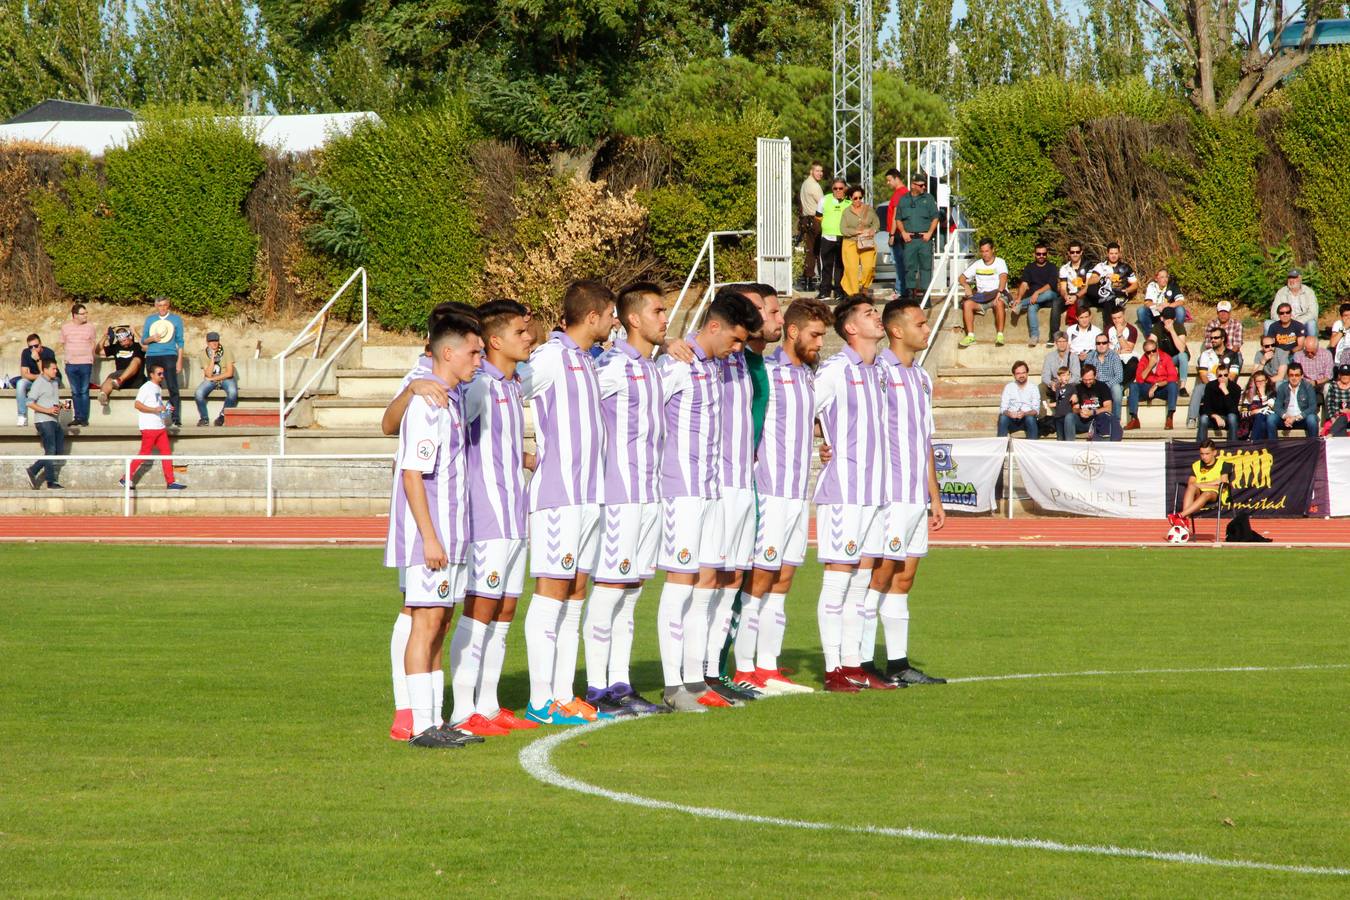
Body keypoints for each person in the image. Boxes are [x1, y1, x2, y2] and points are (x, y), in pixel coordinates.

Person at [655, 289, 762, 711]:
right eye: (734, 340)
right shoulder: (676, 365)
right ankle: (671, 685)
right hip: (681, 490)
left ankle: (696, 681)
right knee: (680, 586)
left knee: (706, 588)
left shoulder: (716, 365)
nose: (739, 350)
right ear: (713, 327)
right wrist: (665, 344)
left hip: (713, 489)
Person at [520, 281, 620, 726]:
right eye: (611, 313)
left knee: (575, 594)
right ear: (593, 316)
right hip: (558, 499)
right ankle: (540, 700)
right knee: (551, 594)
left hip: (589, 498)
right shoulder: (549, 357)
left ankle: (563, 694)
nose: (615, 320)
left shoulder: (585, 359)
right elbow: (501, 387)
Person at [384, 310, 484, 748]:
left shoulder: (452, 397)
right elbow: (412, 475)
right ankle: (421, 724)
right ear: (448, 352)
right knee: (425, 623)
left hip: (452, 535)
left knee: (439, 622)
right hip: (434, 537)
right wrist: (428, 537)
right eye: (474, 352)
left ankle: (434, 718)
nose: (479, 360)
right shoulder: (427, 402)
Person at [444, 299, 542, 737]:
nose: (530, 337)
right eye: (522, 332)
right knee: (481, 608)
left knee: (504, 610)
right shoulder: (479, 384)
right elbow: (451, 433)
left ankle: (489, 702)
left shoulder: (510, 384)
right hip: (486, 514)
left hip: (513, 511)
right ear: (495, 340)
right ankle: (463, 711)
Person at [579, 283, 674, 717]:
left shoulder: (652, 366)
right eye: (658, 310)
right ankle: (597, 688)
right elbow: (576, 413)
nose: (665, 318)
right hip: (619, 497)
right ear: (633, 318)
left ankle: (621, 682)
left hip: (650, 496)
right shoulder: (613, 365)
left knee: (631, 594)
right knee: (609, 591)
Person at [732, 298, 832, 695]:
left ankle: (768, 668)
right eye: (815, 335)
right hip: (769, 492)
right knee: (759, 579)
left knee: (783, 580)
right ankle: (743, 669)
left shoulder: (809, 376)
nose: (820, 343)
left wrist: (823, 445)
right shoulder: (766, 372)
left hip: (796, 494)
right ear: (792, 332)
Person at [868, 297, 946, 686]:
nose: (926, 329)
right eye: (920, 323)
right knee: (879, 577)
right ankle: (862, 663)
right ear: (896, 330)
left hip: (916, 494)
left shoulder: (921, 377)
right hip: (890, 493)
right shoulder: (878, 372)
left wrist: (934, 494)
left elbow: (925, 439)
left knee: (905, 579)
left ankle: (897, 664)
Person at [813, 297, 890, 692]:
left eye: (876, 311)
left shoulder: (880, 370)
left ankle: (853, 664)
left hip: (875, 493)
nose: (877, 316)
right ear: (850, 329)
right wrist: (819, 441)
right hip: (844, 491)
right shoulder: (836, 369)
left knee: (861, 584)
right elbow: (797, 409)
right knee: (838, 581)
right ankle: (832, 670)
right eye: (868, 313)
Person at [121, 364, 187, 491]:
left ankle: (170, 481)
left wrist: (166, 409)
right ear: (151, 375)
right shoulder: (146, 387)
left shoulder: (158, 388)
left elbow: (157, 407)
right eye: (159, 374)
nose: (162, 376)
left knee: (167, 454)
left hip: (159, 426)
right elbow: (137, 405)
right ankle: (125, 478)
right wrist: (155, 409)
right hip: (149, 427)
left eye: (163, 373)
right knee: (144, 453)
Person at [1170, 439, 1232, 535]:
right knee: (1191, 487)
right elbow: (1192, 483)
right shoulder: (1196, 465)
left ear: (1214, 452)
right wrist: (1214, 482)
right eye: (1202, 454)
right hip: (1198, 493)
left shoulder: (1224, 465)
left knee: (1207, 493)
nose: (1204, 457)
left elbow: (1223, 484)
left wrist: (1202, 484)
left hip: (1215, 494)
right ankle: (1185, 522)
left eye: (1207, 454)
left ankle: (1180, 516)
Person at [957, 237, 1009, 348]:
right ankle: (970, 336)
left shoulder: (1000, 262)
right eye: (982, 251)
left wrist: (999, 292)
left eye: (987, 251)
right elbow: (961, 277)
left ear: (992, 250)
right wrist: (966, 285)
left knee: (999, 303)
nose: (984, 254)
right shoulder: (977, 264)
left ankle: (1000, 335)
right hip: (982, 297)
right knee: (967, 304)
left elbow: (1003, 278)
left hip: (997, 294)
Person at [141, 297, 185, 429]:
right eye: (159, 305)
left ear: (168, 305)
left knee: (172, 387)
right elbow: (144, 340)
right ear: (156, 306)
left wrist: (179, 360)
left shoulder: (176, 319)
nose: (162, 308)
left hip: (169, 354)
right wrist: (152, 338)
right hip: (153, 355)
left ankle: (175, 418)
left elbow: (180, 341)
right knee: (152, 387)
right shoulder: (150, 319)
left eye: (165, 305)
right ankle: (154, 417)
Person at [24, 357, 65, 490]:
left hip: (54, 420)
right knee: (51, 450)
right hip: (43, 420)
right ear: (45, 369)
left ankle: (33, 470)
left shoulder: (54, 383)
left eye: (56, 368)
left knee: (57, 450)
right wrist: (47, 410)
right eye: (53, 369)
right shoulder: (38, 382)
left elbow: (51, 400)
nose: (55, 371)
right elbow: (29, 402)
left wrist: (59, 406)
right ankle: (50, 481)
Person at [896, 172, 939, 299]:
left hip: (924, 240)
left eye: (924, 185)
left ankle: (926, 296)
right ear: (913, 185)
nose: (923, 187)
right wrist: (903, 233)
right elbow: (898, 219)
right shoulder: (904, 200)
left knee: (926, 268)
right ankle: (910, 295)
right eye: (921, 185)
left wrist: (929, 233)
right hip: (909, 240)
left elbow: (935, 218)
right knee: (909, 268)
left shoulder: (928, 198)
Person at [1187, 328, 1239, 427]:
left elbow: (1232, 376)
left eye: (1216, 338)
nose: (1212, 340)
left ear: (1223, 338)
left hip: (1226, 384)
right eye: (1211, 338)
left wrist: (1223, 385)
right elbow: (1203, 375)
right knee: (1198, 388)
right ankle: (1192, 418)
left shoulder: (1232, 355)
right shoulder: (1206, 354)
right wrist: (1212, 387)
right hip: (1210, 384)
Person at [1125, 336, 1179, 431]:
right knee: (1133, 386)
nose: (1151, 354)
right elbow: (1139, 379)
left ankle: (1170, 417)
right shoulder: (1143, 360)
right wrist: (1150, 366)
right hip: (1148, 388)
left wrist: (1157, 385)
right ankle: (1134, 419)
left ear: (1157, 348)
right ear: (1145, 353)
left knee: (1173, 385)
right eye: (1148, 352)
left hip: (1162, 388)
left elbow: (1172, 377)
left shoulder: (1166, 357)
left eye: (1153, 351)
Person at [1011, 242, 1059, 347]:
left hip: (1049, 298)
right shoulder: (1029, 267)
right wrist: (1018, 298)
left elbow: (1050, 285)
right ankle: (1034, 336)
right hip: (1034, 300)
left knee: (1048, 293)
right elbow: (1024, 284)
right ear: (1034, 254)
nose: (1041, 256)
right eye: (1038, 254)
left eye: (1043, 254)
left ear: (1047, 255)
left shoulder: (1052, 267)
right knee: (1031, 307)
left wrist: (1037, 292)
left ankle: (1020, 304)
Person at [838, 185, 880, 297]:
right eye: (855, 198)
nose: (858, 200)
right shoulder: (846, 212)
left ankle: (865, 287)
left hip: (867, 242)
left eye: (860, 198)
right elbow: (843, 229)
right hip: (850, 242)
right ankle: (854, 294)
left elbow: (876, 223)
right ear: (850, 198)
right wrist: (856, 231)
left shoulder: (869, 209)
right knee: (851, 269)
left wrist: (873, 230)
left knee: (869, 267)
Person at [58, 303, 96, 427]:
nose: (86, 315)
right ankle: (77, 416)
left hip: (85, 363)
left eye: (86, 313)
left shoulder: (90, 327)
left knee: (84, 391)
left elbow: (93, 343)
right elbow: (63, 343)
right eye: (83, 313)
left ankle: (84, 418)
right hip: (71, 364)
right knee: (75, 391)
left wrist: (91, 357)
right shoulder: (65, 328)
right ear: (75, 315)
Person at [1084, 242, 1137, 324]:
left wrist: (1126, 290)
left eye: (1116, 253)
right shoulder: (1100, 266)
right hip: (1102, 294)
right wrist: (1103, 277)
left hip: (1117, 294)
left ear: (1119, 254)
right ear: (1107, 254)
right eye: (1111, 253)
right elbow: (1090, 281)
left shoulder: (1125, 267)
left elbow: (1135, 285)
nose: (1113, 255)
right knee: (1088, 291)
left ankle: (1108, 329)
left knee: (1109, 302)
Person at [193, 332, 238, 426]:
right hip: (211, 379)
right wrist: (212, 360)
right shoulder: (203, 354)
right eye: (211, 341)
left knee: (233, 392)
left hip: (226, 378)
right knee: (198, 393)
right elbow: (208, 374)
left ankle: (222, 417)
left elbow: (230, 373)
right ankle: (204, 419)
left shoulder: (227, 351)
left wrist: (214, 378)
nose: (214, 343)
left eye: (216, 341)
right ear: (207, 342)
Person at [817, 178, 849, 300]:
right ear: (832, 189)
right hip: (827, 237)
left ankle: (839, 291)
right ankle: (825, 291)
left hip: (843, 237)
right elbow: (818, 217)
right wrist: (826, 225)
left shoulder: (849, 201)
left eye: (841, 188)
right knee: (826, 265)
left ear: (845, 188)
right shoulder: (825, 200)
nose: (838, 191)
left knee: (840, 265)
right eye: (835, 188)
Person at [97, 326, 146, 407]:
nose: (123, 343)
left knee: (136, 360)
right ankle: (103, 395)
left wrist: (135, 332)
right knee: (109, 379)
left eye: (125, 340)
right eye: (121, 342)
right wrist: (104, 336)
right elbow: (98, 351)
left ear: (130, 337)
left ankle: (120, 380)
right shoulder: (116, 347)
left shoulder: (138, 346)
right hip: (119, 376)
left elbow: (145, 347)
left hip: (136, 377)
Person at [15, 333, 58, 427]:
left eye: (36, 346)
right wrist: (38, 377)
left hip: (49, 380)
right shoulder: (26, 353)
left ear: (41, 344)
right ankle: (22, 416)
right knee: (20, 383)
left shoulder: (48, 353)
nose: (33, 349)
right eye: (31, 347)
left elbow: (47, 375)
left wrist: (38, 360)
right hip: (35, 379)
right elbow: (24, 374)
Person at [1066, 363, 1115, 441]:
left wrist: (1092, 412)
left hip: (1097, 421)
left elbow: (1108, 408)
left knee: (1104, 418)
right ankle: (1070, 445)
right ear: (1081, 377)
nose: (1088, 382)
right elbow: (1074, 409)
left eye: (1090, 379)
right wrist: (1080, 411)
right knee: (1069, 417)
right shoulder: (1077, 388)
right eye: (1085, 380)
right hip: (1082, 422)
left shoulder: (1102, 386)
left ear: (1095, 376)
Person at [1055, 240, 1090, 345]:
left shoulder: (1088, 266)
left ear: (1081, 252)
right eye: (1072, 252)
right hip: (1069, 294)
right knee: (1056, 303)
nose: (1075, 254)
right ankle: (1054, 335)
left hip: (1084, 294)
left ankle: (1080, 333)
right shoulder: (1064, 268)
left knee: (1080, 302)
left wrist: (1076, 296)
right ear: (1069, 253)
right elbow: (1062, 288)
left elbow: (1087, 287)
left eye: (1077, 252)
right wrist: (1065, 296)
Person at [798, 162, 825, 291]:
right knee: (819, 252)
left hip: (805, 220)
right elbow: (823, 204)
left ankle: (808, 280)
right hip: (815, 220)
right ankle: (822, 280)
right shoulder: (814, 186)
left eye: (821, 171)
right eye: (817, 171)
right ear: (811, 171)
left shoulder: (804, 184)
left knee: (810, 251)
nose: (820, 173)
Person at [1272, 362, 1318, 437]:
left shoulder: (1308, 387)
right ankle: (1273, 447)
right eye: (1291, 375)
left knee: (1312, 419)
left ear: (1302, 376)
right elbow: (1277, 407)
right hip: (1286, 420)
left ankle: (1313, 446)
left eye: (1297, 375)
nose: (1294, 378)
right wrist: (1286, 416)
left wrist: (1296, 418)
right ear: (1287, 376)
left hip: (1302, 419)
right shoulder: (1282, 387)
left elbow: (1313, 407)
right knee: (1271, 418)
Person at [882, 168, 908, 296]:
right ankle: (902, 289)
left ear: (896, 178)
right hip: (899, 232)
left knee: (899, 263)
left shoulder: (899, 193)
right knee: (900, 263)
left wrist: (892, 234)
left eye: (889, 180)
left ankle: (900, 290)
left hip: (897, 233)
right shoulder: (904, 192)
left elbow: (896, 216)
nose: (888, 183)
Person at [997, 361, 1040, 439]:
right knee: (1003, 418)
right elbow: (1003, 409)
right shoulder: (1009, 387)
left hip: (1027, 418)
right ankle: (1001, 447)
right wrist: (1009, 413)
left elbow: (1036, 410)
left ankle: (1033, 448)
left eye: (1023, 373)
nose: (1021, 375)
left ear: (1027, 373)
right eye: (1018, 373)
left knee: (1030, 418)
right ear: (1014, 375)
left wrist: (1025, 413)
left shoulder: (1033, 387)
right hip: (1011, 419)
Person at [1197, 364, 1240, 442]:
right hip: (1213, 418)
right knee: (1203, 418)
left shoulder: (1236, 388)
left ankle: (1233, 447)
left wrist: (1226, 392)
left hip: (1228, 419)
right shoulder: (1210, 386)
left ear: (1228, 375)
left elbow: (1233, 410)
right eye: (1220, 375)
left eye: (1225, 375)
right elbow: (1206, 407)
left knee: (1232, 417)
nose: (1223, 377)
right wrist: (1216, 416)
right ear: (1216, 376)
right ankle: (1200, 446)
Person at [1085, 334, 1125, 418]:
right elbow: (1086, 374)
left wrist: (1105, 386)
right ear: (1095, 344)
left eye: (1104, 343)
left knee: (1117, 389)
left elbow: (1119, 376)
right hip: (1095, 384)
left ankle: (1116, 420)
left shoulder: (1114, 356)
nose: (1101, 345)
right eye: (1098, 343)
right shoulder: (1090, 356)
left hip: (1110, 384)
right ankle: (1091, 419)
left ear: (1108, 344)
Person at [1137, 268, 1185, 334]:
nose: (1165, 279)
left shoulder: (1173, 286)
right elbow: (1147, 303)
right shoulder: (1152, 286)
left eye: (1166, 277)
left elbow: (1181, 301)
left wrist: (1168, 306)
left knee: (1180, 310)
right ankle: (1150, 336)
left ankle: (1178, 333)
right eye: (1162, 277)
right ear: (1156, 279)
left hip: (1169, 312)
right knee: (1141, 311)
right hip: (1156, 311)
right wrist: (1157, 306)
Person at [1271, 269, 1318, 334]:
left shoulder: (1309, 292)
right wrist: (1285, 321)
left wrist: (1297, 322)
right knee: (1267, 323)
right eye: (1290, 278)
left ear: (1300, 278)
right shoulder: (1281, 292)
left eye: (1294, 278)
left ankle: (1312, 343)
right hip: (1285, 323)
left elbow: (1313, 313)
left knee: (1311, 323)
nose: (1291, 280)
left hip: (1303, 323)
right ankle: (1269, 343)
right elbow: (1274, 313)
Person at [1040, 331, 1080, 405]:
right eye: (1059, 341)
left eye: (1064, 341)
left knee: (1076, 386)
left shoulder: (1073, 356)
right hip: (1054, 385)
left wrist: (1063, 383)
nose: (1062, 344)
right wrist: (1051, 383)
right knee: (1041, 386)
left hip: (1068, 384)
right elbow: (1045, 376)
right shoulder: (1049, 357)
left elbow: (1076, 377)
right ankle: (1043, 411)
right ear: (1055, 343)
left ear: (1067, 342)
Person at [1205, 301, 1245, 374]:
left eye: (1226, 312)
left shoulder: (1237, 324)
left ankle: (1231, 383)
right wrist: (1218, 356)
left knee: (1238, 359)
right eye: (1221, 311)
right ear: (1217, 312)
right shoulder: (1211, 325)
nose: (1223, 314)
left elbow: (1237, 345)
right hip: (1215, 353)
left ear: (1230, 313)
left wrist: (1226, 356)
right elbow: (1208, 345)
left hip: (1232, 353)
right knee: (1201, 359)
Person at [1239, 370, 1276, 440]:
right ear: (1254, 382)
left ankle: (1253, 442)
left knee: (1262, 419)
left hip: (1265, 422)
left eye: (1262, 381)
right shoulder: (1249, 395)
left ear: (1266, 381)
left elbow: (1270, 411)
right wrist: (1255, 411)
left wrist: (1263, 395)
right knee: (1260, 416)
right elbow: (1243, 414)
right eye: (1258, 381)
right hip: (1250, 421)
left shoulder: (1271, 394)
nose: (1260, 383)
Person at [1294, 333, 1333, 398]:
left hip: (1322, 383)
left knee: (1328, 387)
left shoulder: (1326, 354)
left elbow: (1328, 376)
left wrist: (1316, 382)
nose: (1309, 354)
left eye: (1312, 352)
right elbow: (1297, 374)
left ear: (1317, 348)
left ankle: (1327, 408)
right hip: (1304, 383)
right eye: (1307, 351)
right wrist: (1307, 382)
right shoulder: (1298, 355)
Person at [1050, 366, 1076, 440]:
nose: (1066, 377)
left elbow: (1075, 395)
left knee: (1067, 437)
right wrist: (1049, 405)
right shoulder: (1058, 388)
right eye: (1064, 375)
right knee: (1060, 438)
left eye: (1068, 375)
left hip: (1066, 416)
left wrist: (1075, 395)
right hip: (1058, 417)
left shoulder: (1071, 387)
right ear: (1058, 377)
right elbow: (1059, 401)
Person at [1324, 364, 1350, 437]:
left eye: (1347, 374)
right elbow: (1329, 404)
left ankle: (1331, 433)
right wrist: (1332, 418)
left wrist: (1348, 411)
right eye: (1343, 374)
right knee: (1340, 423)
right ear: (1339, 375)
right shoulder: (1333, 385)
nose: (1345, 376)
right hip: (1336, 418)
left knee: (1344, 416)